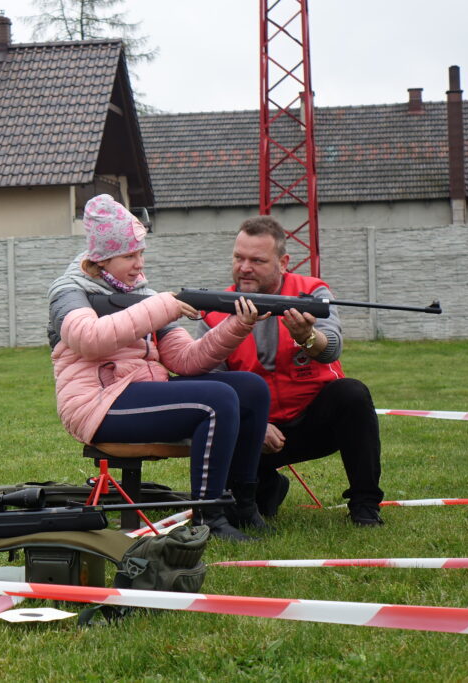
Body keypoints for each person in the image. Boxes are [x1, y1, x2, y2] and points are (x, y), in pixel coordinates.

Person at [47, 194, 272, 542]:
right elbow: (87, 338)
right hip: (97, 403)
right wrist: (162, 305)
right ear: (101, 259)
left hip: (140, 391)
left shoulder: (142, 293)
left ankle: (242, 504)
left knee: (251, 389)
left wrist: (236, 325)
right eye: (129, 256)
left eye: (141, 253)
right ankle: (208, 517)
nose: (139, 264)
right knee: (216, 399)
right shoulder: (68, 290)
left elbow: (186, 359)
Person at [197, 216, 384, 526]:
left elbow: (332, 347)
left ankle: (365, 506)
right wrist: (255, 424)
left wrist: (307, 337)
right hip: (254, 430)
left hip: (313, 421)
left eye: (257, 260)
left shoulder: (313, 291)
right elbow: (210, 382)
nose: (244, 267)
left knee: (352, 394)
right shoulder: (214, 310)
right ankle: (268, 486)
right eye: (239, 258)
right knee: (240, 510)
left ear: (283, 262)